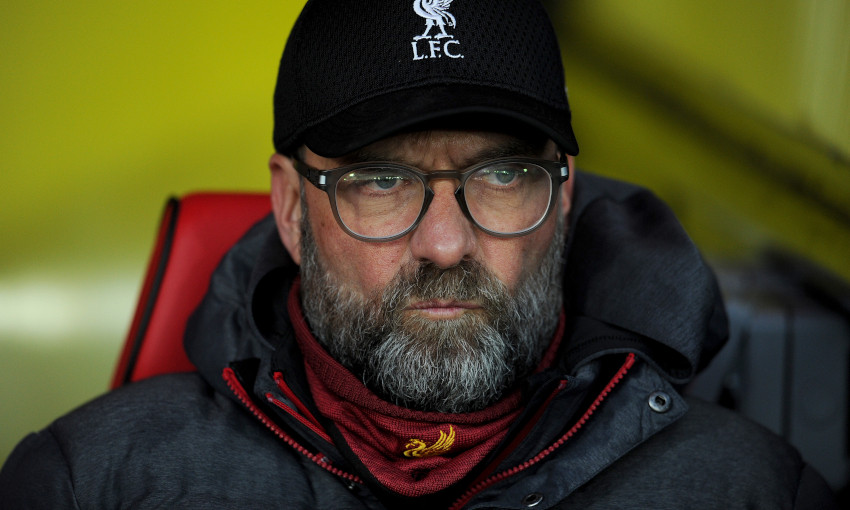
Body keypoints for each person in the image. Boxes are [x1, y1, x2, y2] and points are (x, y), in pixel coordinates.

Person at [0, 0, 838, 508]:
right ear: (291, 208)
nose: (445, 244)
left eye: (502, 176)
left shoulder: (754, 490)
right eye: (381, 181)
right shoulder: (92, 484)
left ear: (564, 197)